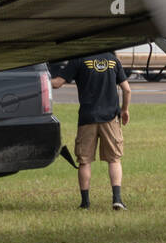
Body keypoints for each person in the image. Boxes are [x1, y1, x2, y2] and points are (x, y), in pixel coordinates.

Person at [50, 54, 131, 210]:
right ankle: (117, 199)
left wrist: (40, 79)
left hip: (87, 117)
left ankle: (85, 203)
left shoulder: (79, 58)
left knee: (84, 161)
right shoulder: (113, 60)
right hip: (110, 118)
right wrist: (125, 110)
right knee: (114, 159)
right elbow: (127, 90)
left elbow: (57, 83)